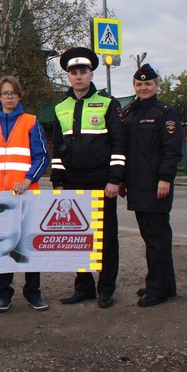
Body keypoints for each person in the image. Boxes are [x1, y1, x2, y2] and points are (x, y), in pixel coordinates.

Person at [51, 47, 125, 309]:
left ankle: (106, 288)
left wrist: (115, 179)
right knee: (78, 237)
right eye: (74, 72)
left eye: (83, 71)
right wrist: (57, 181)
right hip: (72, 181)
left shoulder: (108, 103)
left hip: (101, 180)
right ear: (68, 77)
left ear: (91, 73)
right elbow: (57, 147)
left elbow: (118, 143)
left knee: (106, 237)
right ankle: (84, 287)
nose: (79, 77)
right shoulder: (61, 107)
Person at [0, 75, 49, 313]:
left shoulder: (31, 121)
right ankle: (3, 294)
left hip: (26, 193)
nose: (9, 97)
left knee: (28, 243)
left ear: (19, 96)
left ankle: (33, 293)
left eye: (13, 93)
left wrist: (28, 180)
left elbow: (42, 155)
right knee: (0, 244)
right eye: (5, 93)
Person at [119, 63, 183, 307]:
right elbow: (124, 150)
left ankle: (157, 290)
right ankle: (164, 284)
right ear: (134, 86)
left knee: (157, 238)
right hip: (137, 184)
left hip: (157, 184)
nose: (143, 87)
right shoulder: (129, 112)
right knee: (150, 237)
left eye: (148, 83)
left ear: (156, 85)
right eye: (139, 84)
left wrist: (165, 177)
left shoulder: (165, 113)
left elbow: (172, 149)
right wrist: (123, 180)